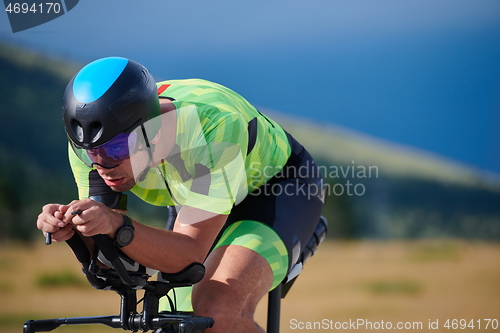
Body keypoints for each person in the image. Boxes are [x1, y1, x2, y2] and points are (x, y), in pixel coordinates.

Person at [37, 57, 325, 333]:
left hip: (274, 190)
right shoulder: (94, 145)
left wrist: (115, 224)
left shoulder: (213, 130)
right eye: (90, 152)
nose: (103, 166)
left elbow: (187, 253)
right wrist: (76, 229)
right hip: (194, 195)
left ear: (153, 131)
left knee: (215, 313)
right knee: (175, 321)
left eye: (116, 150)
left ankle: (300, 235)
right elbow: (114, 259)